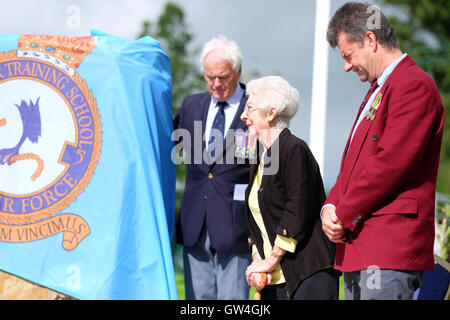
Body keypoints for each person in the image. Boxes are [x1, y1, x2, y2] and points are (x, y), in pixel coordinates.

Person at [322, 2, 445, 300]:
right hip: (359, 247)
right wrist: (329, 205)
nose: (346, 66)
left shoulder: (414, 85)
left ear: (370, 40)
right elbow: (352, 166)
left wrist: (342, 212)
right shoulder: (378, 91)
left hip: (388, 249)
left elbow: (390, 164)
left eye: (348, 56)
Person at [242, 76, 339, 300]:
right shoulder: (259, 156)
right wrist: (258, 260)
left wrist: (271, 259)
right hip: (273, 280)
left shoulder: (293, 149)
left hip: (308, 274)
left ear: (270, 113)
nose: (243, 116)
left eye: (250, 108)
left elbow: (296, 210)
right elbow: (257, 219)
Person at [173, 36, 251, 300]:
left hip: (236, 226)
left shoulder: (256, 108)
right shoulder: (190, 106)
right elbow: (162, 140)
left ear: (238, 71)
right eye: (209, 77)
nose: (216, 84)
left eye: (223, 76)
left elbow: (271, 166)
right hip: (195, 224)